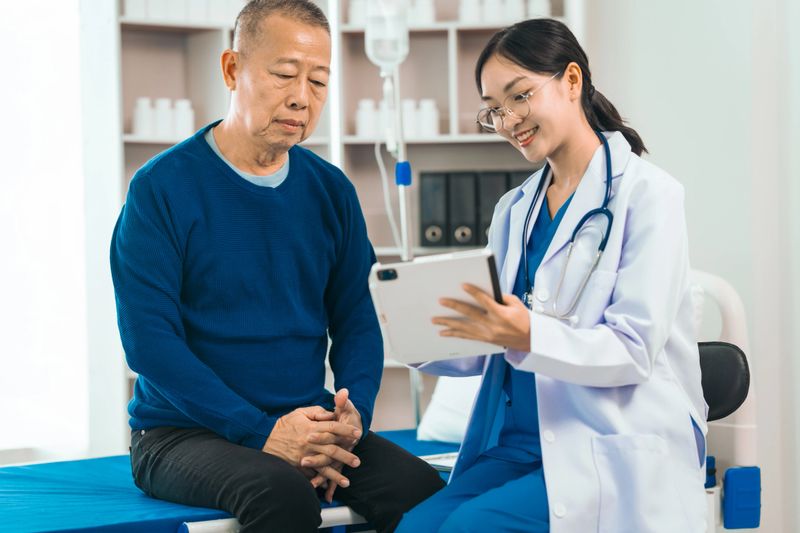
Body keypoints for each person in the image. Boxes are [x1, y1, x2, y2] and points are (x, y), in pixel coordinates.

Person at [110, 1, 444, 531]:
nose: (301, 97)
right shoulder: (161, 189)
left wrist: (351, 419)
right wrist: (263, 433)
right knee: (282, 494)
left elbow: (358, 319)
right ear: (232, 69)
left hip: (306, 419)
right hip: (182, 433)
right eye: (285, 74)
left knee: (424, 494)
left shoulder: (330, 190)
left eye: (318, 81)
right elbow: (149, 345)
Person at [396, 18, 707, 533]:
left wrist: (527, 333)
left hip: (605, 446)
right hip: (519, 446)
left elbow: (633, 350)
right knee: (413, 528)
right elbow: (493, 340)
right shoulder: (514, 211)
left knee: (466, 528)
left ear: (571, 80)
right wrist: (418, 332)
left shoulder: (649, 196)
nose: (508, 120)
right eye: (495, 109)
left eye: (520, 96)